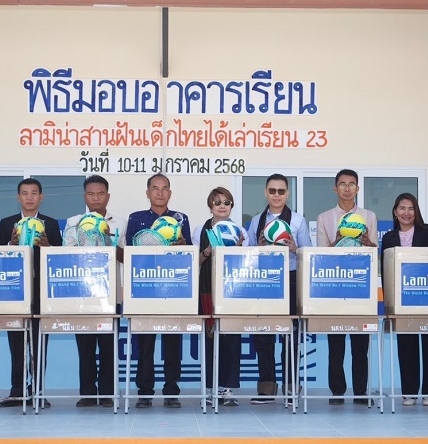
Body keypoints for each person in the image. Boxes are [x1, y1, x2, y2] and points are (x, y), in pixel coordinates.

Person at [124, 173, 193, 409]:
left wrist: (183, 245)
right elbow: (131, 252)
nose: (160, 192)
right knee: (144, 344)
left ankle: (171, 391)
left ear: (170, 193)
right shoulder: (136, 218)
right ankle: (144, 391)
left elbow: (189, 253)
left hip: (174, 288)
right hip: (145, 287)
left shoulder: (180, 219)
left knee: (173, 342)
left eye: (164, 188)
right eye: (155, 188)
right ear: (148, 193)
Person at [0, 178, 63, 408]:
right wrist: (10, 245)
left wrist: (48, 247)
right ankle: (17, 392)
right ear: (18, 197)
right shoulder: (7, 224)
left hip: (41, 294)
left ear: (41, 197)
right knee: (16, 344)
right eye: (25, 193)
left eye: (34, 193)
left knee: (39, 344)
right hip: (14, 293)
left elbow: (59, 259)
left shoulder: (51, 224)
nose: (29, 197)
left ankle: (38, 392)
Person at [244, 174, 312, 404]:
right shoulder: (256, 221)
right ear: (265, 192)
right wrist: (259, 247)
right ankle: (266, 388)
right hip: (264, 280)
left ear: (287, 194)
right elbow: (248, 254)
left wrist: (294, 247)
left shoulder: (298, 220)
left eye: (281, 191)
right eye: (272, 190)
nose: (276, 195)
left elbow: (308, 253)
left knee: (290, 336)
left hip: (290, 280)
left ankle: (291, 389)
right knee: (262, 336)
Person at [315, 169, 378, 407]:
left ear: (358, 189)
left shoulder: (369, 216)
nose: (347, 188)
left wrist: (369, 244)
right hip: (335, 286)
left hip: (361, 288)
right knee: (336, 344)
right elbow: (321, 255)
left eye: (352, 184)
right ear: (335, 189)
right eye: (342, 184)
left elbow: (375, 254)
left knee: (361, 346)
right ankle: (337, 391)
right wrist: (338, 239)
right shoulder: (324, 217)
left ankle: (361, 391)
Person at [380, 192, 428, 406]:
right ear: (395, 212)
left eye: (410, 208)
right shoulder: (388, 238)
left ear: (416, 211)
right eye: (402, 208)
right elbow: (385, 271)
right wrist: (389, 303)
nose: (406, 213)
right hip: (402, 301)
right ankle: (409, 391)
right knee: (406, 346)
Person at [66, 175, 124, 408]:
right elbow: (67, 253)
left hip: (110, 294)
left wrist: (108, 240)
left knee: (109, 346)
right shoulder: (73, 222)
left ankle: (108, 393)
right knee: (85, 347)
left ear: (107, 197)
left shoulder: (120, 223)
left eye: (100, 194)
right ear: (85, 197)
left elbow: (126, 257)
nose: (96, 198)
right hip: (82, 293)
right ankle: (88, 393)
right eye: (91, 194)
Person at [193, 187, 243, 407]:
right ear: (210, 206)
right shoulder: (200, 230)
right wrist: (207, 251)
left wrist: (237, 249)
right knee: (209, 340)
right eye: (217, 202)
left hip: (233, 292)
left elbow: (246, 263)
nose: (222, 206)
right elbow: (193, 263)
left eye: (227, 202)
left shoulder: (240, 231)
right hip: (207, 291)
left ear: (232, 206)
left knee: (231, 340)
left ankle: (227, 388)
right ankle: (209, 388)